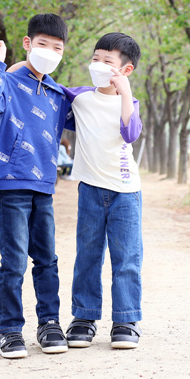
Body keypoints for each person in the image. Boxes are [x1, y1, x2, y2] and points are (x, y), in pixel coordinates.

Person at [0, 13, 72, 359]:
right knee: (14, 260)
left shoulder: (58, 94)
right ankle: (10, 331)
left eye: (57, 47)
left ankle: (49, 324)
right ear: (28, 43)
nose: (50, 52)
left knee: (47, 259)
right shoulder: (8, 81)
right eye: (43, 44)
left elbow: (91, 114)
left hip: (44, 186)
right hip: (11, 183)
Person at [62, 32, 144, 350]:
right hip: (91, 191)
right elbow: (46, 92)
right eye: (95, 58)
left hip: (126, 192)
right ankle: (83, 317)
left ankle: (125, 320)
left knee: (127, 258)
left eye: (107, 61)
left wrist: (125, 92)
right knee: (87, 255)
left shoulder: (129, 103)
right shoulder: (79, 98)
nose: (97, 64)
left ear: (125, 69)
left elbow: (130, 133)